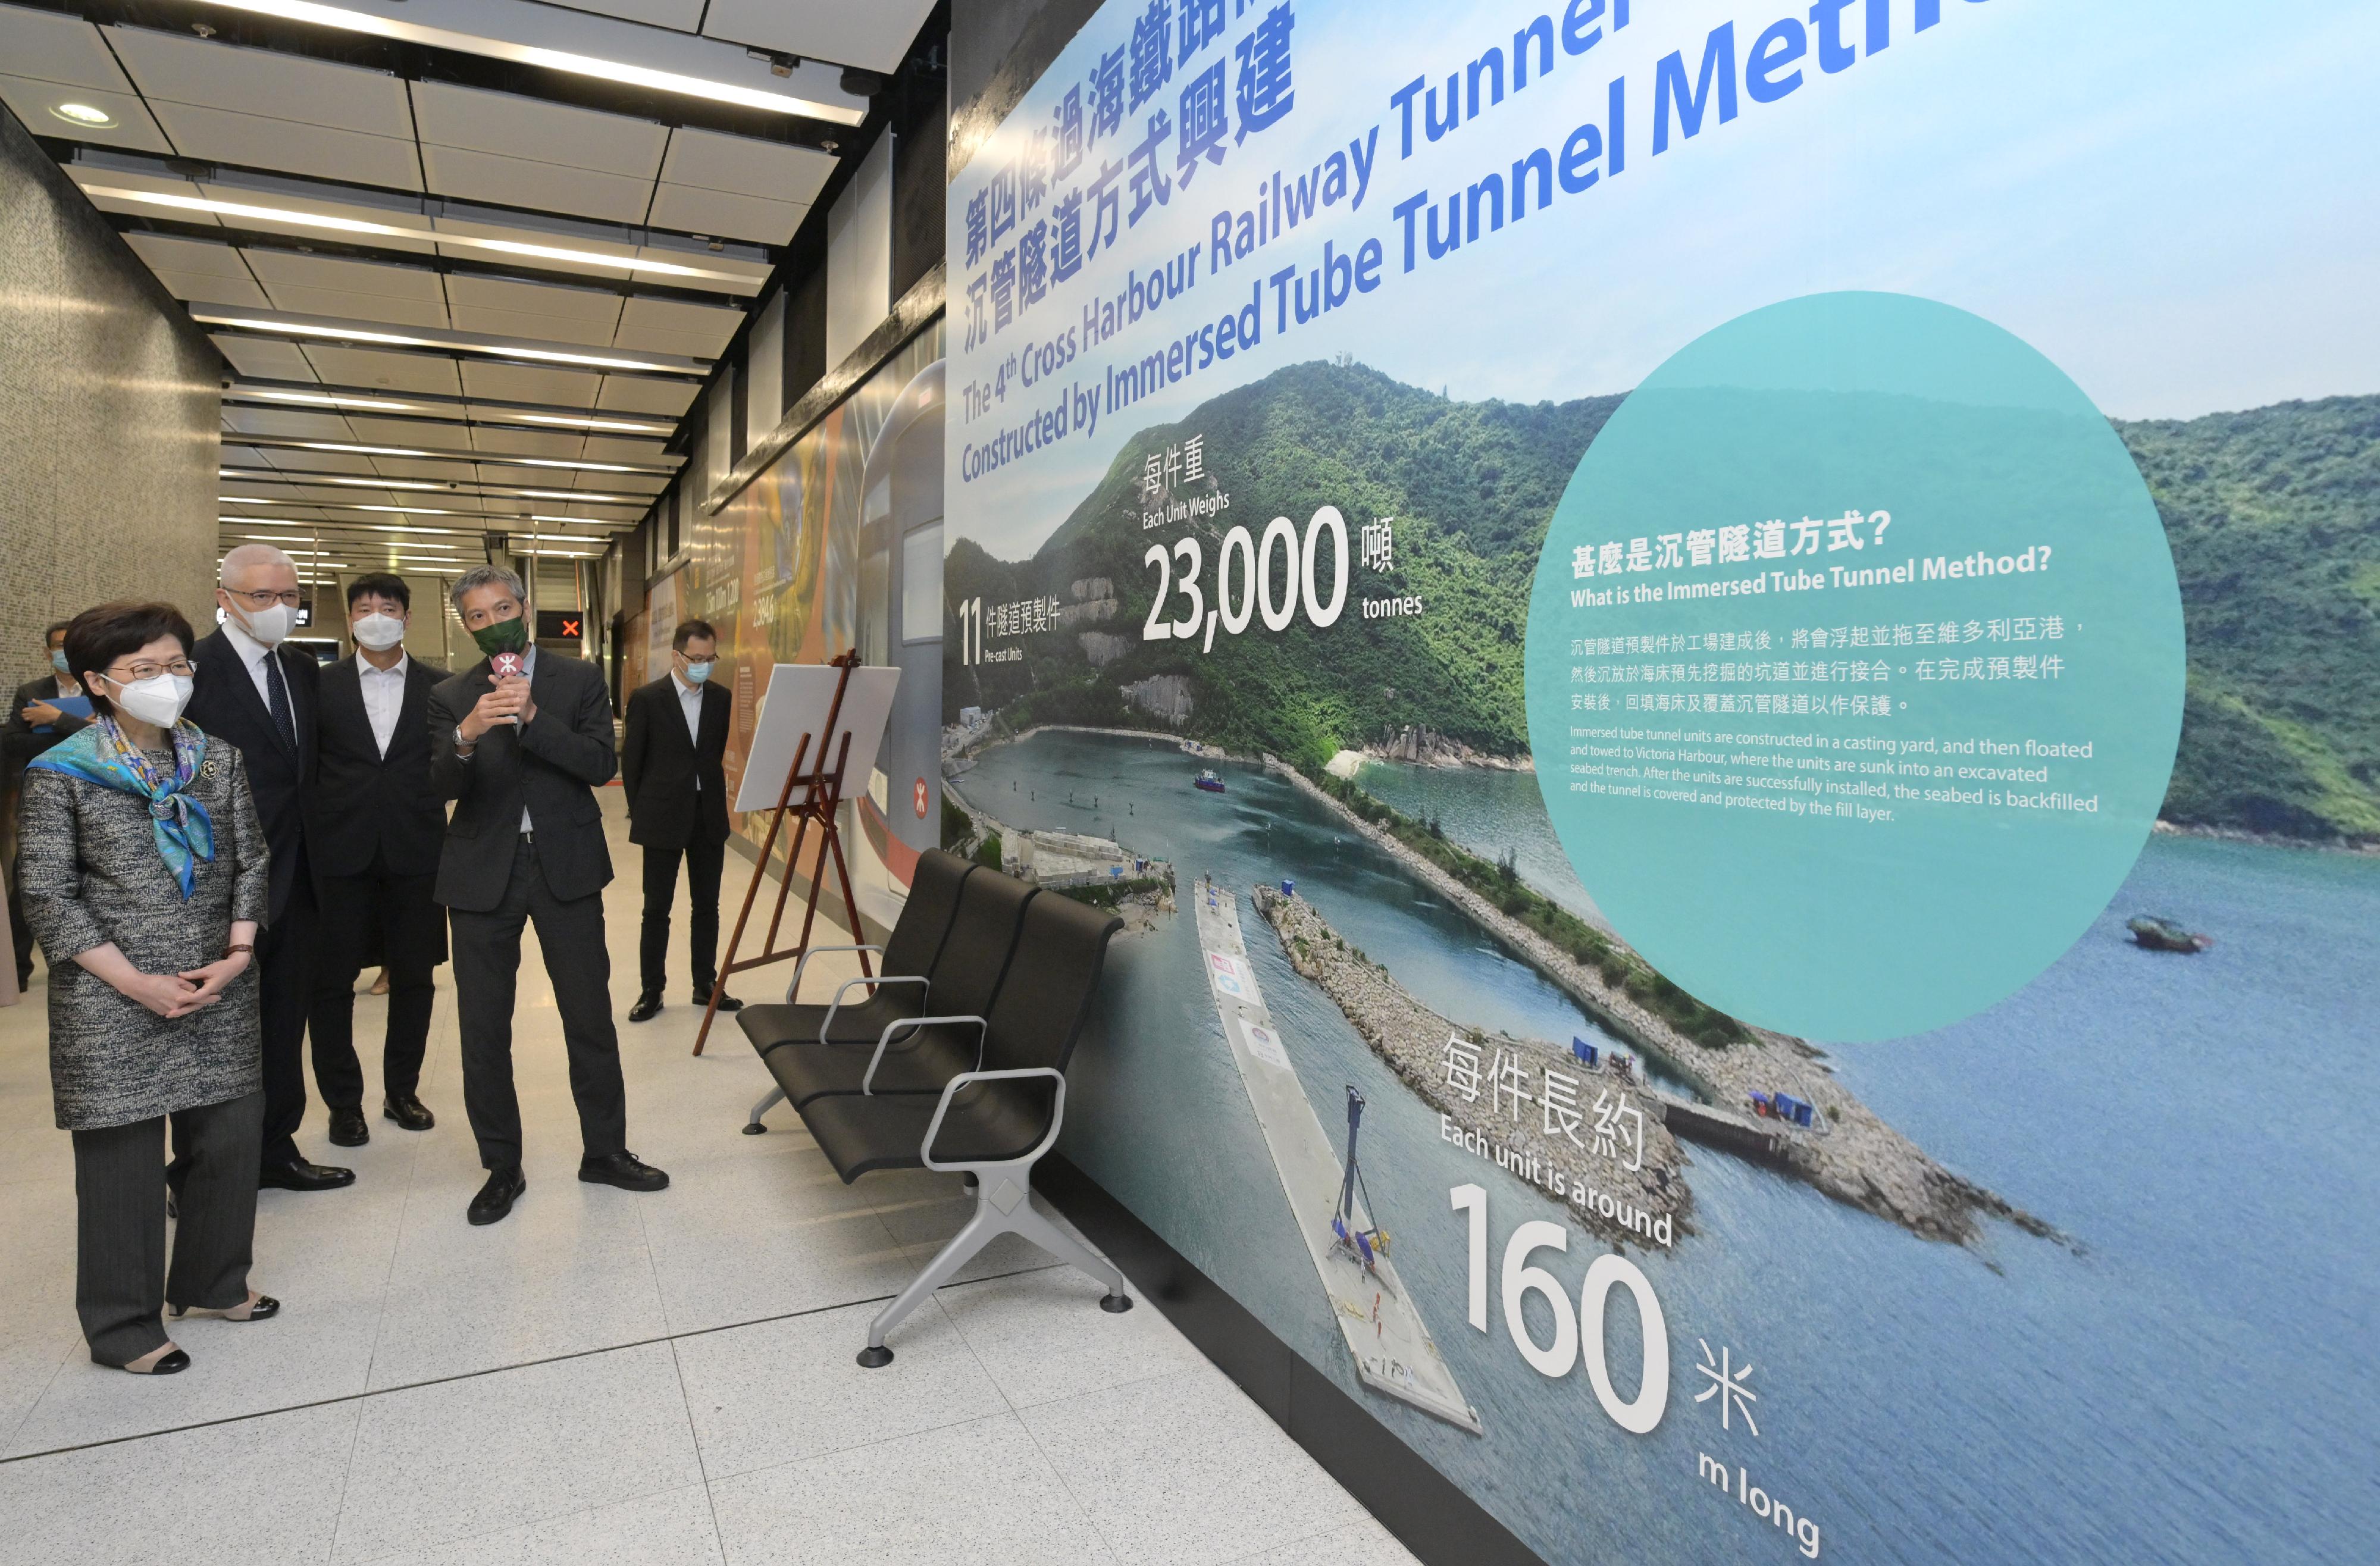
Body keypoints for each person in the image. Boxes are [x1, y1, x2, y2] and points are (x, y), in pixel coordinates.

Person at [19, 602, 280, 1374]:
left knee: (229, 1144)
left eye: (177, 666)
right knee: (123, 1167)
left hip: (216, 982)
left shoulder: (217, 758)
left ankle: (211, 1278)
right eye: (143, 670)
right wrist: (135, 982)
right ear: (98, 682)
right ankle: (124, 1325)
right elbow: (46, 893)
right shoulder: (62, 772)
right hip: (111, 995)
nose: (166, 682)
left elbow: (251, 860)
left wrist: (238, 954)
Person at [428, 565, 666, 1226]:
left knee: (588, 1016)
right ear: (465, 626)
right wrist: (468, 734)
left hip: (566, 865)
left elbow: (600, 765)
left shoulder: (579, 680)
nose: (492, 621)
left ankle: (606, 1151)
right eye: (477, 615)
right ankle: (502, 1167)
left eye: (501, 607)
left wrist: (531, 715)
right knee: (483, 1029)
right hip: (482, 874)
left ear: (526, 610)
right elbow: (435, 785)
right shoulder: (451, 695)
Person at [185, 544, 350, 1192]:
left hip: (300, 877)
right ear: (225, 598)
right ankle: (199, 1170)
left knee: (286, 1022)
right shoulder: (192, 669)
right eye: (262, 596)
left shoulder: (301, 667)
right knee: (213, 1035)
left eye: (290, 596)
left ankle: (275, 1150)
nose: (280, 609)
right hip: (221, 884)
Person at [307, 574, 446, 1146]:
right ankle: (344, 1104)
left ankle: (401, 1092)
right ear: (351, 619)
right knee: (331, 981)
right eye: (364, 609)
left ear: (406, 619)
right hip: (338, 851)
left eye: (387, 608)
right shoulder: (318, 686)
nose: (376, 617)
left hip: (417, 852)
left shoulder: (443, 688)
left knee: (415, 977)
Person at [619, 619, 742, 1023]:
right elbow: (633, 765)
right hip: (662, 819)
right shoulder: (648, 699)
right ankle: (652, 990)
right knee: (657, 909)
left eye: (710, 659)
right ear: (677, 656)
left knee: (707, 905)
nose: (704, 665)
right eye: (697, 658)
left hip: (708, 818)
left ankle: (705, 983)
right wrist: (642, 813)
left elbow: (711, 756)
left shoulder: (721, 698)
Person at [4, 621, 95, 990]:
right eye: (58, 645)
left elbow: (106, 741)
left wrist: (56, 720)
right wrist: (77, 730)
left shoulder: (101, 688)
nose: (64, 651)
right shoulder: (31, 692)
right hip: (44, 801)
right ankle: (16, 972)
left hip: (92, 797)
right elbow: (13, 746)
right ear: (47, 652)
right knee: (29, 883)